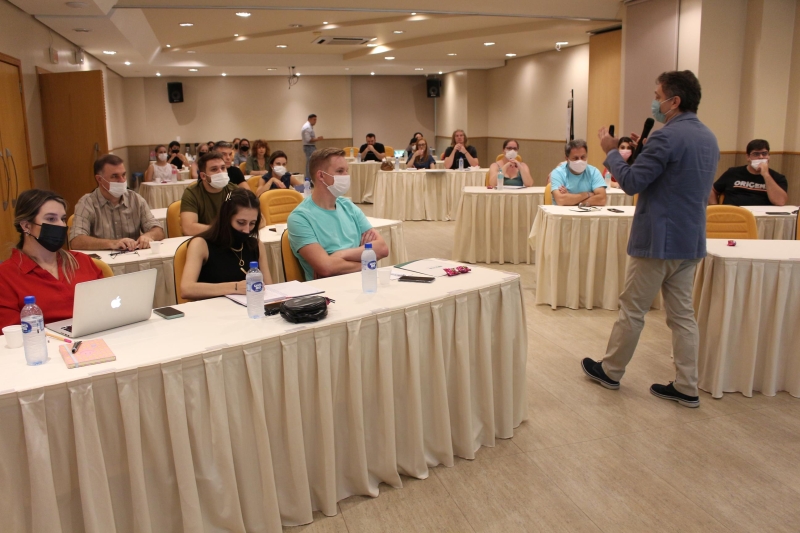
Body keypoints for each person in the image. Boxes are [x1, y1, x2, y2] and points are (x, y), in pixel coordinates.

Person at [583, 70, 720, 408]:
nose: (655, 101)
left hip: (658, 240)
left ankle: (611, 371)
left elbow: (631, 184)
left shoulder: (667, 137)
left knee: (633, 308)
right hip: (690, 239)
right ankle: (687, 385)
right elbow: (674, 179)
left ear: (674, 101)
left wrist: (612, 151)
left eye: (658, 95)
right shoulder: (709, 138)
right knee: (682, 315)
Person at [0, 189, 103, 330]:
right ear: (26, 226)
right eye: (50, 219)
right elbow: (10, 334)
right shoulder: (5, 276)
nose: (61, 225)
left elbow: (108, 308)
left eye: (63, 219)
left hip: (96, 341)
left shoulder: (83, 262)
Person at [288, 147, 389, 280]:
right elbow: (326, 268)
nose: (346, 176)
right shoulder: (300, 218)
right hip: (328, 293)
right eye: (340, 171)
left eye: (346, 171)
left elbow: (382, 248)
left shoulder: (348, 206)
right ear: (321, 175)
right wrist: (368, 261)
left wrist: (339, 255)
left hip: (362, 283)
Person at [180, 188, 272, 301]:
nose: (247, 230)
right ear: (226, 218)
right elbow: (186, 289)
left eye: (252, 223)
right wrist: (235, 287)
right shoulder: (201, 244)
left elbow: (269, 288)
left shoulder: (256, 245)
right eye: (241, 223)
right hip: (212, 312)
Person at [70, 155, 165, 251]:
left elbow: (158, 231)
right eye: (115, 176)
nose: (122, 180)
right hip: (102, 263)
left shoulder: (135, 199)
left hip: (133, 258)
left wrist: (148, 236)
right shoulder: (87, 203)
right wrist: (112, 243)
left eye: (123, 175)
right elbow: (76, 240)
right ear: (99, 179)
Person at [709, 139, 788, 206]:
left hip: (762, 219)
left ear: (769, 156)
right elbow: (712, 190)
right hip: (733, 217)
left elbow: (780, 201)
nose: (761, 157)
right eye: (756, 154)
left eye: (764, 154)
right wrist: (716, 208)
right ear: (748, 157)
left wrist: (766, 175)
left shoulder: (778, 178)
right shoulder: (732, 173)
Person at [180, 151, 240, 236]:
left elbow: (260, 220)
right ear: (203, 176)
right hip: (204, 241)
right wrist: (225, 230)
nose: (220, 172)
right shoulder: (192, 193)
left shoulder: (234, 190)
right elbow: (188, 228)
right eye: (214, 169)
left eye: (223, 168)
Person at [549, 140, 607, 206]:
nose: (580, 161)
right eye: (575, 158)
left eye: (583, 157)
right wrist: (587, 194)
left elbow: (602, 199)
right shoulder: (558, 173)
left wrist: (571, 200)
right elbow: (561, 200)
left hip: (587, 214)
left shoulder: (594, 172)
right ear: (567, 159)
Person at [302, 114, 323, 179]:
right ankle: (309, 179)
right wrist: (318, 139)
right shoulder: (307, 127)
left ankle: (310, 178)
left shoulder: (309, 126)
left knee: (311, 163)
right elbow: (308, 139)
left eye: (316, 119)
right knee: (310, 163)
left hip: (310, 147)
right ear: (309, 119)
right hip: (309, 147)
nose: (315, 121)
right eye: (314, 119)